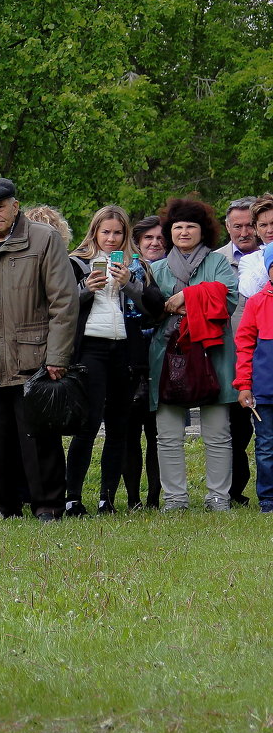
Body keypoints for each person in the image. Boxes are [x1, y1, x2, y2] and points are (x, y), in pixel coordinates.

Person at [0, 178, 77, 521]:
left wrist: (57, 356)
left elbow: (63, 303)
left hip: (34, 359)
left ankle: (48, 504)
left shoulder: (44, 239)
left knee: (38, 437)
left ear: (14, 206)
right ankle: (1, 505)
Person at [64, 206, 164, 515]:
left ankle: (107, 497)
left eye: (117, 233)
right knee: (88, 423)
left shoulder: (137, 266)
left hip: (125, 350)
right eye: (105, 232)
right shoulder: (75, 262)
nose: (111, 238)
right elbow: (59, 307)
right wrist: (85, 290)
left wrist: (128, 285)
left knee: (119, 426)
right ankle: (73, 498)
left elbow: (154, 311)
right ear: (94, 232)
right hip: (89, 349)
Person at [148, 197, 237, 512]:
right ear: (170, 231)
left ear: (203, 232)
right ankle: (175, 498)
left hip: (212, 354)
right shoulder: (155, 267)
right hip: (168, 353)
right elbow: (151, 308)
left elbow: (229, 300)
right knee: (168, 434)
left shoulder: (217, 263)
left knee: (217, 432)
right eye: (178, 226)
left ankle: (217, 497)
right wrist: (195, 300)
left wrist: (187, 295)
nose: (184, 232)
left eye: (191, 227)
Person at [216, 197, 260, 507]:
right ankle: (233, 490)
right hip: (232, 359)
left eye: (249, 225)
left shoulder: (267, 259)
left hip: (266, 354)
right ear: (227, 227)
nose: (244, 232)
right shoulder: (217, 261)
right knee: (235, 428)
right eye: (237, 226)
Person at [122, 215, 165, 509]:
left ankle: (153, 498)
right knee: (129, 434)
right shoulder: (126, 270)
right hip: (128, 358)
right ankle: (134, 497)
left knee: (158, 434)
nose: (155, 243)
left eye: (161, 238)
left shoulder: (169, 271)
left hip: (161, 360)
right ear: (137, 242)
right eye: (149, 238)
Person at [233, 244, 273, 512]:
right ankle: (268, 498)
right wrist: (244, 386)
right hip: (265, 390)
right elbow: (244, 347)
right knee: (266, 445)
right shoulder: (257, 302)